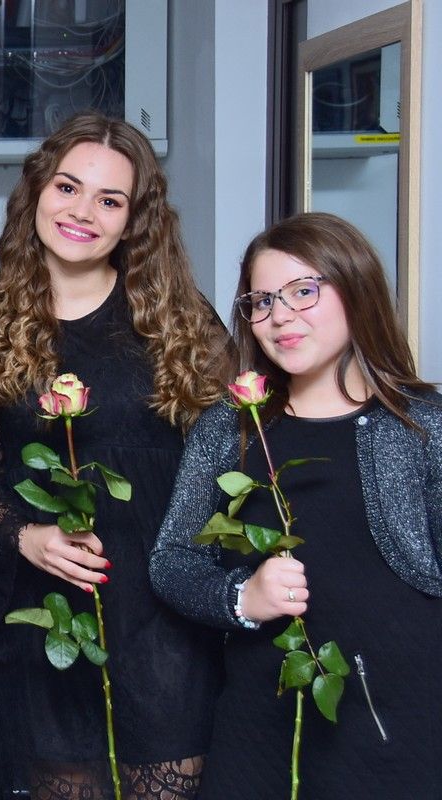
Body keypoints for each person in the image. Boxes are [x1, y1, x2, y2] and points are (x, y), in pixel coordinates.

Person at [0, 111, 235, 798]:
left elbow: (234, 459)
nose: (82, 212)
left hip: (166, 630)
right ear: (37, 190)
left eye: (110, 200)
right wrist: (25, 536)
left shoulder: (180, 322)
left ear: (135, 220)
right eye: (68, 187)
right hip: (48, 631)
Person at [150, 212, 441, 799]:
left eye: (303, 291)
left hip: (404, 719)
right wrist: (242, 598)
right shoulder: (227, 430)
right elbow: (171, 561)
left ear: (356, 287)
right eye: (261, 301)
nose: (280, 316)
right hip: (262, 720)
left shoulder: (423, 426)